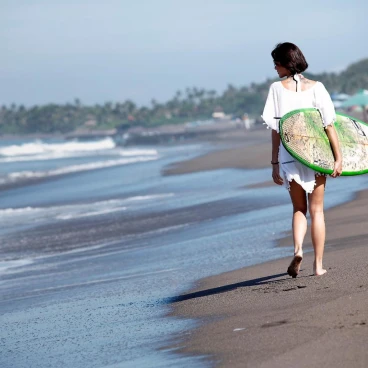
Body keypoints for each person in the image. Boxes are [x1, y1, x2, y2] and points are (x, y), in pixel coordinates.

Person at [262, 42, 342, 277]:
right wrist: (338, 158)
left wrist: (275, 162)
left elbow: (276, 129)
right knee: (317, 211)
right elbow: (329, 126)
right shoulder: (318, 87)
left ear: (287, 63)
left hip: (289, 155)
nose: (275, 67)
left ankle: (298, 250)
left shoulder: (276, 89)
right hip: (314, 154)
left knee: (299, 208)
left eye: (277, 63)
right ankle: (318, 266)